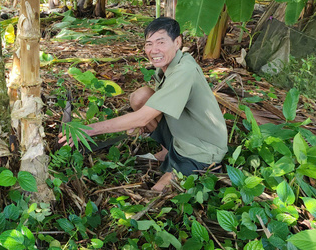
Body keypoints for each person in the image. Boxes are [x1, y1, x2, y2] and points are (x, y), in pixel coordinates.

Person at [59, 17, 228, 191]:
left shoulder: (184, 71)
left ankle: (203, 166)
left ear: (177, 42)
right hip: (183, 135)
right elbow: (151, 108)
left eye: (161, 42)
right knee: (141, 97)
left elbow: (142, 118)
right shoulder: (165, 66)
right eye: (149, 44)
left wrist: (88, 130)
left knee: (158, 191)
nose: (154, 50)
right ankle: (167, 152)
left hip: (201, 149)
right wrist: (138, 124)